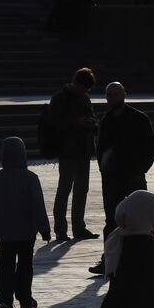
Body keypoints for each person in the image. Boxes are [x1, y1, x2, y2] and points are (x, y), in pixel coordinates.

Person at [0, 137, 51, 308]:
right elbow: (38, 206)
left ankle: (5, 300)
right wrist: (44, 229)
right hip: (26, 232)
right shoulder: (31, 178)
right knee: (25, 266)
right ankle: (25, 299)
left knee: (5, 266)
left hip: (5, 232)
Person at [89, 82, 154, 274]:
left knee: (141, 219)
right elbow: (101, 148)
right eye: (109, 95)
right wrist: (104, 168)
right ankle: (109, 260)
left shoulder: (139, 118)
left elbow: (150, 149)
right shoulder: (107, 120)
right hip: (111, 179)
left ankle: (144, 259)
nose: (112, 98)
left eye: (115, 94)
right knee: (112, 220)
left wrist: (139, 170)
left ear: (124, 95)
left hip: (134, 178)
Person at [48, 67, 98, 241]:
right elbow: (53, 123)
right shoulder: (60, 98)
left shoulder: (84, 98)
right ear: (77, 83)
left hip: (83, 150)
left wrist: (92, 124)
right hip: (67, 150)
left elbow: (92, 119)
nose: (85, 92)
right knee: (64, 189)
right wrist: (76, 122)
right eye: (84, 88)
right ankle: (60, 229)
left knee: (81, 190)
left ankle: (79, 227)